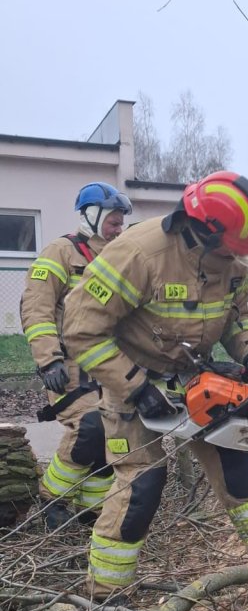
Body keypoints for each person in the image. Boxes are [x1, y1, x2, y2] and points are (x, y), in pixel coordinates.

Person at [62, 169, 248, 600]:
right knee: (143, 483)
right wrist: (135, 386)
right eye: (233, 249)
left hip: (192, 375)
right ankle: (105, 597)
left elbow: (237, 319)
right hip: (130, 378)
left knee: (238, 461)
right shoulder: (138, 254)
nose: (238, 259)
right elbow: (79, 329)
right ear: (203, 231)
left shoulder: (235, 261)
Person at [20, 182, 133, 530]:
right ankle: (50, 501)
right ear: (91, 216)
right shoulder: (61, 252)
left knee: (111, 434)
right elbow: (35, 308)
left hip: (109, 364)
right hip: (68, 366)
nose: (119, 229)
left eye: (120, 223)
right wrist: (48, 358)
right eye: (113, 222)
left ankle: (90, 510)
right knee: (90, 427)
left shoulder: (121, 256)